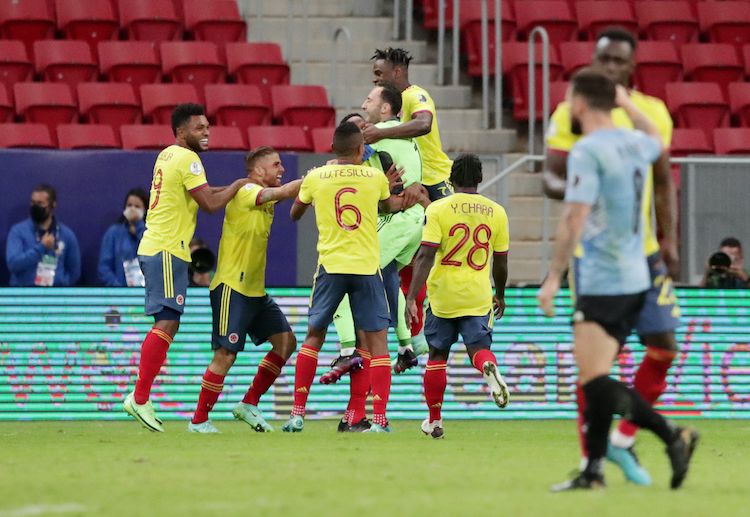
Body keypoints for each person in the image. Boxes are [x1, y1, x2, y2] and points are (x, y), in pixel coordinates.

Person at [537, 70, 699, 491]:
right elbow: (655, 140)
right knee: (597, 378)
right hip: (636, 273)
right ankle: (593, 471)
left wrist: (554, 276)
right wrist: (628, 105)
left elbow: (573, 217)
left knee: (594, 381)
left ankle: (669, 435)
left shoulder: (588, 151)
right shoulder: (637, 144)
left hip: (602, 276)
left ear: (579, 104)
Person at [122, 103, 250, 433]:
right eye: (199, 128)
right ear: (181, 131)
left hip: (161, 247)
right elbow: (209, 204)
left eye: (208, 127)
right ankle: (138, 397)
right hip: (166, 250)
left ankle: (141, 396)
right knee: (167, 322)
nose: (206, 132)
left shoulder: (167, 155)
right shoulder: (189, 159)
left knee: (169, 323)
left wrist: (233, 190)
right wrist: (238, 186)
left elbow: (202, 195)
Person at [285, 121, 415, 433]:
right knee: (377, 343)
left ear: (332, 149)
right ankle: (380, 420)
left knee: (314, 337)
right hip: (366, 268)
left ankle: (297, 414)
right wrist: (405, 200)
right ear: (361, 149)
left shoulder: (316, 176)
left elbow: (294, 213)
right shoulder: (373, 177)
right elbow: (386, 206)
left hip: (331, 267)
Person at [321, 86, 428, 423]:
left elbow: (347, 147)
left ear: (384, 110)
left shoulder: (376, 135)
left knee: (343, 275)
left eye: (369, 99)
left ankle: (347, 348)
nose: (363, 103)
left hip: (399, 218)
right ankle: (406, 347)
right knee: (384, 278)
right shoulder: (400, 142)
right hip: (405, 221)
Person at [188, 147, 302, 433]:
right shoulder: (247, 190)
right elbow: (277, 194)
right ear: (259, 170)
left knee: (286, 343)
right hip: (231, 288)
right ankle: (199, 420)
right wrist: (316, 178)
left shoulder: (259, 193)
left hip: (255, 291)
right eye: (276, 164)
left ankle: (249, 402)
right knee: (225, 355)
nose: (282, 170)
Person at [406, 154, 511, 439]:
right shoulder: (497, 212)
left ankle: (435, 420)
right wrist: (499, 294)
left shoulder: (438, 209)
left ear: (451, 179)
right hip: (477, 295)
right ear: (480, 178)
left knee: (437, 356)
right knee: (478, 348)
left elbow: (425, 255)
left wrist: (412, 297)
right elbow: (500, 262)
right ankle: (488, 367)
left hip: (443, 296)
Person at [366, 47, 453, 202]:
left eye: (379, 73)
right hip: (409, 180)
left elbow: (424, 124)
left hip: (434, 177)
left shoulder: (415, 95)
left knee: (448, 224)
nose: (374, 79)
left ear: (397, 72)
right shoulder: (388, 104)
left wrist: (380, 133)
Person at [6, 184, 81, 287]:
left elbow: (74, 271)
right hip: (24, 294)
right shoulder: (18, 231)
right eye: (33, 202)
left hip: (55, 295)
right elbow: (13, 264)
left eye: (40, 203)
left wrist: (62, 283)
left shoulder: (67, 235)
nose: (35, 207)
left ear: (53, 204)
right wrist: (41, 248)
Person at [97, 188, 149, 287]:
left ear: (145, 209)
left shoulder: (151, 233)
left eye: (137, 206)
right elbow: (104, 267)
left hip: (147, 294)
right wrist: (117, 286)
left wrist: (138, 227)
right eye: (129, 205)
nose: (132, 209)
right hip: (120, 295)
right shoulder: (113, 233)